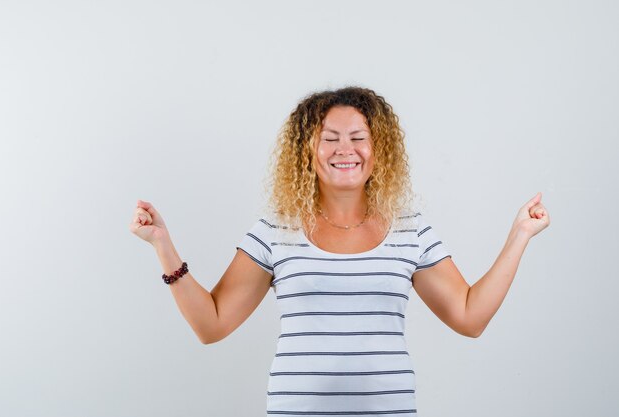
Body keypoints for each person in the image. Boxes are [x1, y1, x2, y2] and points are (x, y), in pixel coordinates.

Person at [129, 86, 550, 416]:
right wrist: (163, 246)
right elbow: (212, 325)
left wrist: (519, 236)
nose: (344, 149)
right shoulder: (277, 230)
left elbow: (470, 317)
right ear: (307, 152)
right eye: (329, 138)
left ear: (377, 149)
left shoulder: (410, 230)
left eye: (357, 137)